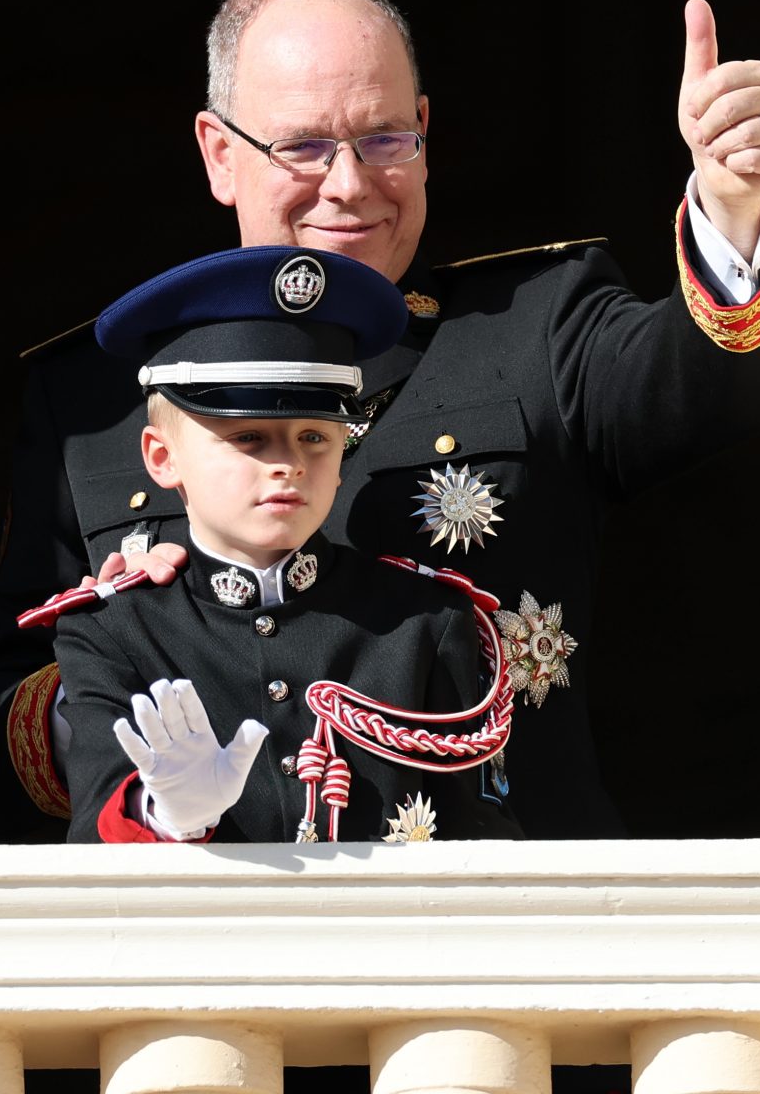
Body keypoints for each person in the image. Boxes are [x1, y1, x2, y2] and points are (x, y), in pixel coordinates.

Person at [0, 0, 760, 844]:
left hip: (508, 922)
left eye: (386, 139)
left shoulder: (535, 325)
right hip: (206, 936)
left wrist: (732, 207)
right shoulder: (100, 396)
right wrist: (131, 688)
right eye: (304, 146)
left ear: (426, 130)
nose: (350, 184)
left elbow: (712, 389)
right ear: (218, 153)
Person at [54, 246, 518, 846]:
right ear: (162, 459)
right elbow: (92, 840)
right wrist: (165, 815)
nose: (288, 465)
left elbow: (484, 842)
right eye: (248, 437)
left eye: (314, 437)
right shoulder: (114, 630)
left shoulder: (423, 620)